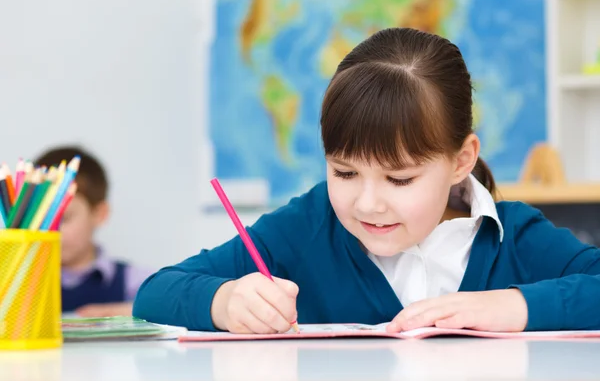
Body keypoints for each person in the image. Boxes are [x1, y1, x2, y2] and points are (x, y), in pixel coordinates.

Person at [132, 27, 600, 333]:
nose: (368, 204)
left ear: (461, 160)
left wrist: (510, 308)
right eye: (344, 172)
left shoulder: (512, 237)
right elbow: (155, 293)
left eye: (399, 179)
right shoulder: (308, 226)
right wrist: (224, 299)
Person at [35, 146, 154, 317]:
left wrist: (127, 311)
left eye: (64, 219)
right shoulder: (22, 281)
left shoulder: (133, 280)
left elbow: (174, 307)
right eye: (41, 219)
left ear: (99, 214)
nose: (50, 231)